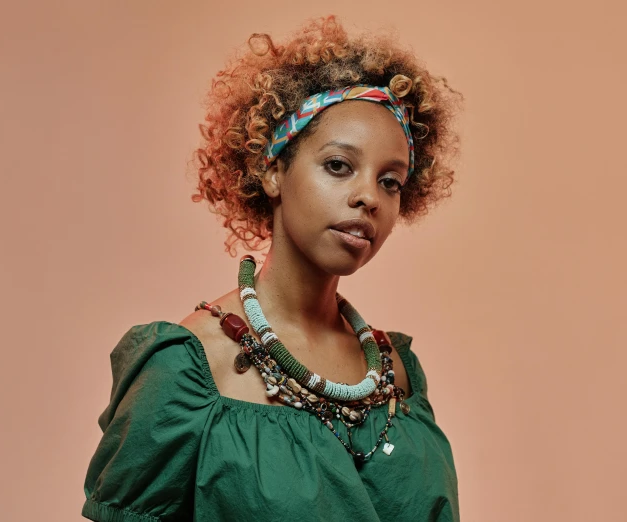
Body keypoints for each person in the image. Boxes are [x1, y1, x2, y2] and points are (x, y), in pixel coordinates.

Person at [82, 15, 463, 522]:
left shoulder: (395, 373)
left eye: (390, 181)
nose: (368, 197)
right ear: (273, 170)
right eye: (338, 166)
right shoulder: (189, 370)